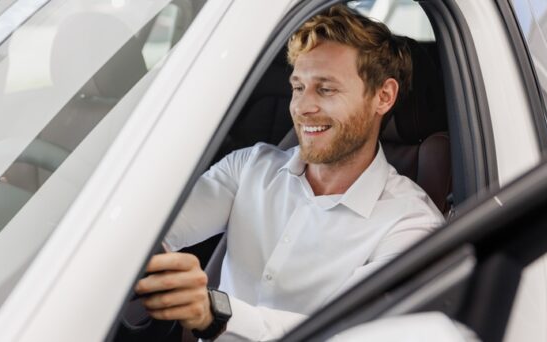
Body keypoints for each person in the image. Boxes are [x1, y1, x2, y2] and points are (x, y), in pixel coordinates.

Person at [133, 5, 444, 341]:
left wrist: (215, 312)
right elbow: (148, 236)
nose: (302, 107)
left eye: (325, 89)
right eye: (298, 87)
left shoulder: (410, 225)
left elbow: (347, 332)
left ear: (383, 96)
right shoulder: (249, 168)